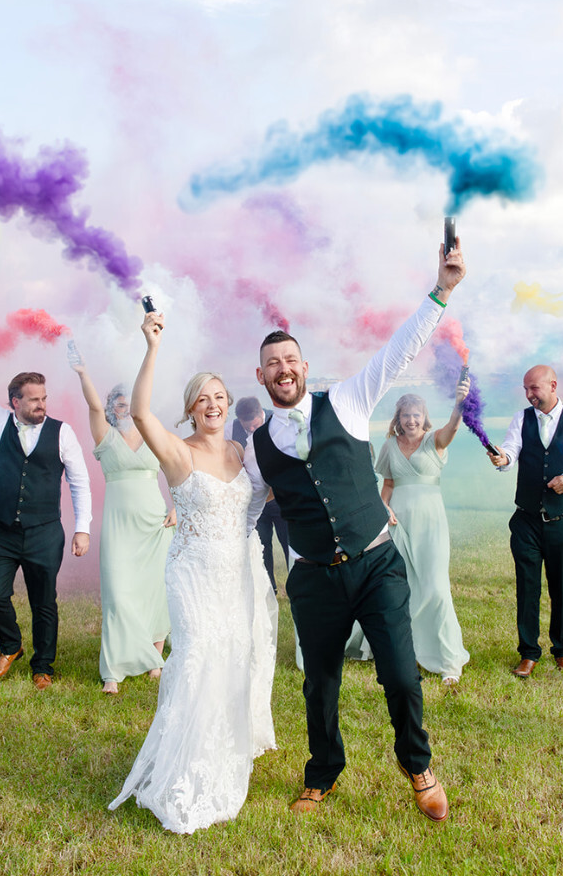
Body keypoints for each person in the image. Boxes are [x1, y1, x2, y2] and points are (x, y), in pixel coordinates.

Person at [244, 240, 466, 823]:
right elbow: (244, 512)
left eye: (290, 359)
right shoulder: (256, 445)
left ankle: (418, 766)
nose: (283, 369)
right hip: (313, 578)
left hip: (376, 564)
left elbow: (399, 352)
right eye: (272, 363)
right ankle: (324, 771)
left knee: (399, 672)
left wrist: (441, 291)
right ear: (260, 375)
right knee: (319, 686)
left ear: (304, 366)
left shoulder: (346, 399)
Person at [109, 310, 277, 834]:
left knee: (234, 656)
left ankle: (226, 750)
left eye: (219, 396)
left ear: (229, 406)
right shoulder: (178, 454)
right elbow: (139, 413)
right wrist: (152, 347)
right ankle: (184, 768)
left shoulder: (242, 451)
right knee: (199, 654)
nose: (212, 404)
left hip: (238, 573)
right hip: (192, 575)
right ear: (190, 409)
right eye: (202, 398)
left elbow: (255, 505)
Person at [0, 306, 91, 690]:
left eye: (44, 398)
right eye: (33, 400)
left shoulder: (63, 433)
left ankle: (42, 666)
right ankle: (10, 646)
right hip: (1, 531)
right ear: (14, 401)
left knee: (43, 603)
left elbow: (79, 482)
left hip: (46, 532)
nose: (41, 405)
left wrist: (82, 529)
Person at [70, 363, 175, 694]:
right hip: (119, 528)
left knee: (155, 590)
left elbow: (178, 472)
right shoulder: (105, 435)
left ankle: (154, 659)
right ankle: (112, 671)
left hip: (155, 524)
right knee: (118, 594)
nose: (125, 407)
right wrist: (84, 373)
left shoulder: (154, 433)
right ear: (112, 407)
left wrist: (178, 507)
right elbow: (93, 406)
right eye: (119, 402)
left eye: (131, 401)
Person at [488, 365, 563, 677]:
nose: (530, 395)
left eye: (535, 388)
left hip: (562, 522)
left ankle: (562, 650)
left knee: (561, 589)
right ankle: (529, 653)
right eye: (526, 389)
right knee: (527, 589)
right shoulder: (521, 419)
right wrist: (503, 459)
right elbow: (512, 450)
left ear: (553, 385)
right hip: (526, 522)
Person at [375, 381, 471, 686]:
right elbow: (387, 486)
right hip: (397, 524)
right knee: (403, 588)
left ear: (424, 416)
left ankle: (448, 662)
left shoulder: (434, 441)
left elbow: (452, 429)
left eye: (416, 414)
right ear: (398, 418)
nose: (411, 420)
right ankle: (406, 651)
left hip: (430, 523)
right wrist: (384, 509)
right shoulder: (389, 445)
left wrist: (458, 404)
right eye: (406, 415)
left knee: (437, 587)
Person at [232, 396, 289, 594]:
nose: (252, 431)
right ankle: (269, 589)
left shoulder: (279, 421)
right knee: (262, 547)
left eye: (255, 426)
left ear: (260, 414)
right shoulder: (232, 429)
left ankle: (297, 585)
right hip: (254, 500)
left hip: (281, 499)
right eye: (247, 427)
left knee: (289, 543)